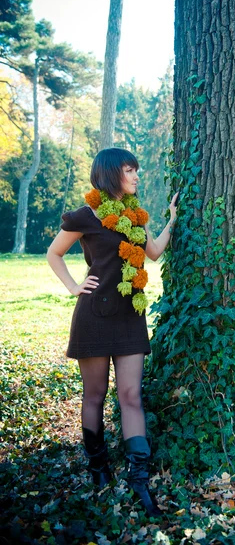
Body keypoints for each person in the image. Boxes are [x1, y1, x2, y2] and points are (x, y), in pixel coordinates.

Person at [47, 147, 178, 517]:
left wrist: (171, 219)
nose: (137, 177)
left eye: (136, 170)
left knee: (131, 394)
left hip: (129, 315)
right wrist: (74, 287)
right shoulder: (85, 215)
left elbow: (152, 252)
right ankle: (98, 468)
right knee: (94, 395)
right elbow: (53, 253)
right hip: (93, 315)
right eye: (129, 170)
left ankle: (139, 478)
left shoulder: (135, 217)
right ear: (109, 173)